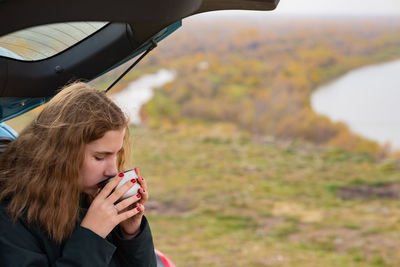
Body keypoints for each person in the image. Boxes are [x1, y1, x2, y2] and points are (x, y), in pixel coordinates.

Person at [0, 82, 156, 266]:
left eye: (116, 154)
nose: (113, 171)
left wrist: (131, 234)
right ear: (61, 153)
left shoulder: (90, 199)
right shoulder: (11, 216)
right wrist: (92, 234)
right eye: (100, 157)